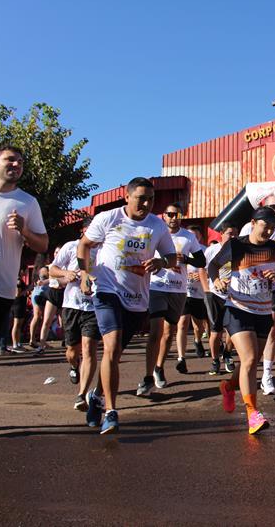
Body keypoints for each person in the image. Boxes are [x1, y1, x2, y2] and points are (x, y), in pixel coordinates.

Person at [78, 177, 176, 433]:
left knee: (115, 353)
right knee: (111, 345)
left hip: (137, 297)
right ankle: (111, 411)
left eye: (151, 199)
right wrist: (85, 273)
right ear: (127, 196)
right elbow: (85, 245)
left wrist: (160, 263)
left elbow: (171, 256)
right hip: (107, 289)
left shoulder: (157, 225)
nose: (146, 203)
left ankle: (96, 397)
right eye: (141, 198)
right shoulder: (108, 218)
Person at [212, 207, 275, 434]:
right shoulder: (236, 245)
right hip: (237, 308)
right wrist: (216, 280)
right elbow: (213, 265)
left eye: (272, 228)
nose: (268, 231)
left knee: (253, 360)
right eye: (265, 226)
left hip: (263, 311)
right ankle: (252, 413)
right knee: (248, 358)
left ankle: (228, 386)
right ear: (253, 223)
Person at [0, 146, 48, 391]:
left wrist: (24, 230)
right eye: (10, 159)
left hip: (1, 288)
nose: (16, 164)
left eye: (20, 161)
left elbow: (43, 244)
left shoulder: (27, 203)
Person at [137, 203, 205, 395]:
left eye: (177, 214)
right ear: (164, 216)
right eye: (170, 214)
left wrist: (185, 259)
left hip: (178, 289)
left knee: (169, 333)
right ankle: (148, 375)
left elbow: (201, 261)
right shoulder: (155, 233)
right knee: (156, 331)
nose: (174, 217)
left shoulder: (188, 236)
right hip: (156, 286)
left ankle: (159, 367)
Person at [240, 195, 275, 396]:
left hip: (274, 285)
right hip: (248, 288)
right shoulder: (248, 227)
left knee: (273, 325)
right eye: (271, 207)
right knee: (250, 341)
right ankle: (241, 367)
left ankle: (267, 375)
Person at [49, 219, 102, 411]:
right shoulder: (71, 247)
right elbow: (52, 269)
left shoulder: (105, 250)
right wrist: (66, 274)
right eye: (91, 228)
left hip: (94, 307)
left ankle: (81, 395)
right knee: (72, 351)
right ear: (84, 230)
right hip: (72, 305)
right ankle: (73, 366)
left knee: (89, 350)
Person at [202, 222, 238, 375]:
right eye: (230, 233)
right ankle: (215, 360)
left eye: (236, 233)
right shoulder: (212, 250)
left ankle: (228, 355)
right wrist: (207, 289)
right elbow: (202, 269)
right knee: (215, 331)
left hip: (234, 295)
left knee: (232, 331)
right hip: (215, 295)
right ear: (222, 234)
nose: (233, 236)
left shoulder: (239, 251)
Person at [182, 224, 209, 358]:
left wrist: (203, 275)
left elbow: (212, 270)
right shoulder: (180, 249)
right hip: (184, 292)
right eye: (189, 235)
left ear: (200, 238)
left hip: (199, 293)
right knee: (182, 323)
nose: (192, 238)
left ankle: (198, 340)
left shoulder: (205, 251)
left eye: (195, 236)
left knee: (199, 326)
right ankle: (181, 357)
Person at [37, 245, 67, 355]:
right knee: (46, 321)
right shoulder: (50, 267)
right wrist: (43, 282)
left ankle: (67, 342)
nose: (57, 254)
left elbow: (66, 278)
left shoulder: (66, 265)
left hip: (64, 295)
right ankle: (41, 345)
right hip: (52, 294)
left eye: (59, 252)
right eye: (55, 252)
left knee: (64, 322)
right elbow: (48, 278)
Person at [29, 266, 49, 349]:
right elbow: (46, 275)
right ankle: (32, 339)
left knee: (42, 319)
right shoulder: (44, 269)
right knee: (37, 316)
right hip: (39, 294)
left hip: (44, 295)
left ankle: (41, 340)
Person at [10, 275, 29, 352]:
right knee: (16, 324)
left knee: (19, 325)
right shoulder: (18, 281)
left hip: (20, 304)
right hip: (17, 304)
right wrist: (27, 289)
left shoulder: (16, 279)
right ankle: (15, 344)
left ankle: (18, 343)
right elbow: (17, 294)